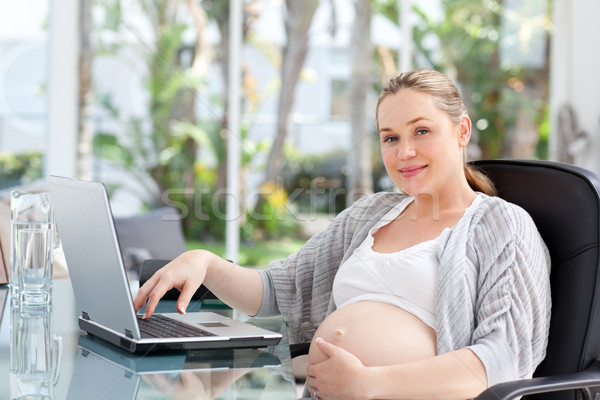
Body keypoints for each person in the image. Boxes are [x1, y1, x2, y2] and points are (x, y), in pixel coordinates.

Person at [134, 68, 551, 400]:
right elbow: (279, 291)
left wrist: (370, 385)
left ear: (461, 132)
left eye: (421, 131)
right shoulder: (371, 213)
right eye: (390, 138)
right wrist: (205, 262)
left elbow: (503, 361)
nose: (404, 152)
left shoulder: (502, 225)